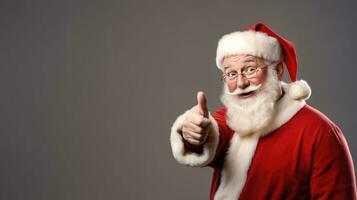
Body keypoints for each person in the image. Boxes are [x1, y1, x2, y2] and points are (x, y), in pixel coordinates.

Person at [170, 23, 357, 200]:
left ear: (278, 70)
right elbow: (209, 134)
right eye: (231, 74)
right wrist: (192, 132)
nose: (241, 83)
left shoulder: (321, 133)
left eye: (250, 69)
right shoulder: (228, 119)